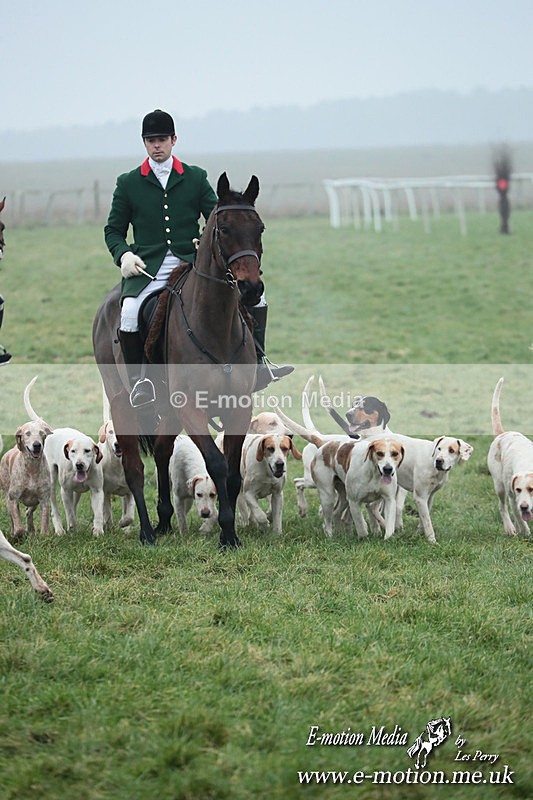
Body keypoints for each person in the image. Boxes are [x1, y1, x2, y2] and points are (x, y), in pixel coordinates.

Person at [104, 109, 292, 409]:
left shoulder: (194, 177)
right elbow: (113, 230)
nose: (157, 146)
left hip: (190, 264)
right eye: (151, 140)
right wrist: (124, 254)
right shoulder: (128, 183)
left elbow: (217, 217)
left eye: (162, 139)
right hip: (146, 269)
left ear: (174, 140)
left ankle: (259, 362)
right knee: (128, 312)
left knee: (257, 297)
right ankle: (142, 381)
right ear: (144, 143)